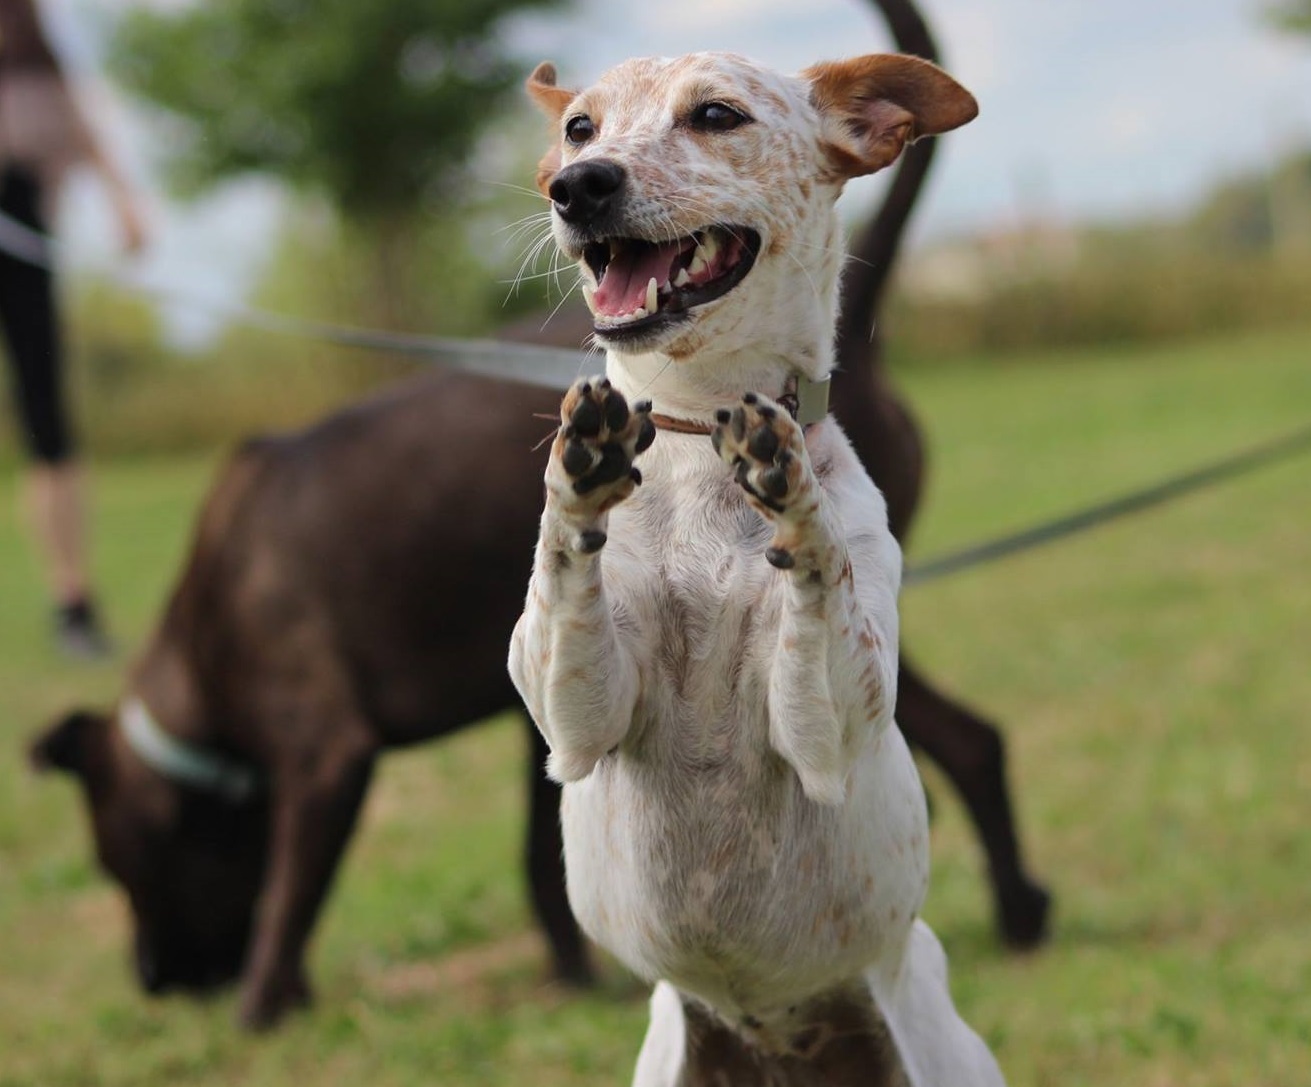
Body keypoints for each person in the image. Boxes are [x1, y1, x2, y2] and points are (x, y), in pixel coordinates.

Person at [0, 0, 145, 657]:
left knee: (48, 423)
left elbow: (78, 123)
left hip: (19, 219)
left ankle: (73, 605)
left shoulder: (34, 50)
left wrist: (123, 200)